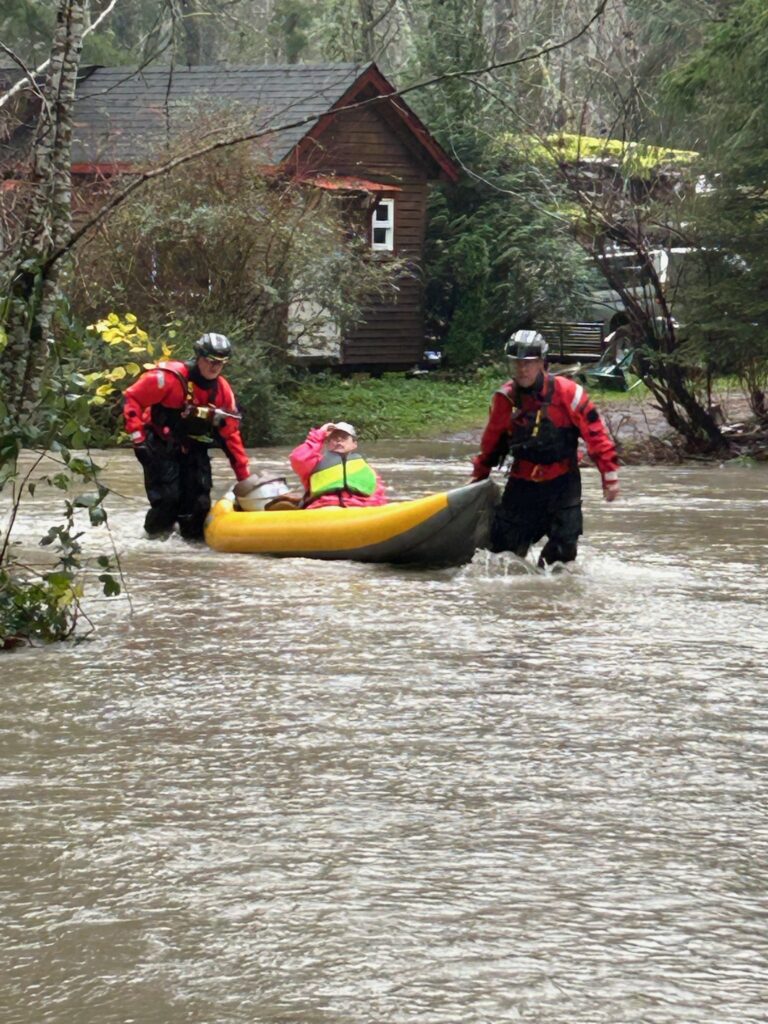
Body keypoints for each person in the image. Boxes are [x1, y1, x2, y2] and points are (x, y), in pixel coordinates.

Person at [471, 330, 620, 567]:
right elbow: (491, 444)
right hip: (522, 485)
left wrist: (609, 477)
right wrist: (478, 479)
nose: (522, 369)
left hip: (563, 484)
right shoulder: (505, 399)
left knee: (562, 555)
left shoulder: (569, 393)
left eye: (529, 363)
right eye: (517, 363)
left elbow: (596, 435)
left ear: (542, 363)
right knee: (501, 555)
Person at [123, 332, 251, 539]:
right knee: (168, 501)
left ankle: (193, 553)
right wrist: (138, 440)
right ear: (199, 357)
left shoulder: (223, 392)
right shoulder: (167, 378)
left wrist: (245, 478)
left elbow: (230, 435)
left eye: (222, 362)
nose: (215, 367)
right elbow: (132, 400)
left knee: (199, 506)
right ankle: (153, 542)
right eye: (211, 361)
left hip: (194, 447)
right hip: (161, 444)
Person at [289, 421, 387, 509]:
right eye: (334, 438)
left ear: (354, 444)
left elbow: (378, 496)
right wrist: (320, 433)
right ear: (327, 443)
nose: (339, 440)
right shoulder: (313, 464)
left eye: (344, 437)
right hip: (324, 508)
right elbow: (297, 458)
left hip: (358, 509)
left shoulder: (366, 469)